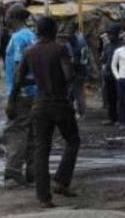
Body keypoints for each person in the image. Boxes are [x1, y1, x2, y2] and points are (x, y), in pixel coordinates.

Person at [8, 16, 80, 208]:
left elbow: (18, 80)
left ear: (38, 32)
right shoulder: (60, 49)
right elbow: (69, 75)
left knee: (42, 150)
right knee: (72, 141)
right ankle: (62, 181)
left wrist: (11, 102)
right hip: (59, 103)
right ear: (54, 31)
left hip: (39, 105)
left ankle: (43, 198)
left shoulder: (29, 51)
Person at [2, 4, 37, 187]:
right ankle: (33, 170)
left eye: (7, 15)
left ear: (14, 17)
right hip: (34, 92)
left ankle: (13, 171)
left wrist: (11, 98)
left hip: (20, 93)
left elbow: (18, 69)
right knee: (31, 132)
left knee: (15, 131)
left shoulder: (18, 38)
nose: (5, 18)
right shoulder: (32, 36)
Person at [65, 25, 90, 119]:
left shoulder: (74, 43)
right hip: (82, 69)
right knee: (78, 91)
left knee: (76, 92)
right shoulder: (82, 41)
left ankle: (79, 112)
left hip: (76, 70)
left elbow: (73, 60)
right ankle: (80, 111)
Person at [100, 25, 121, 126]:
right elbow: (104, 59)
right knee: (110, 98)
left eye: (110, 34)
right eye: (108, 33)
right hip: (108, 76)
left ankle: (119, 119)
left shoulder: (121, 46)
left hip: (118, 76)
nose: (108, 36)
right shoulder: (108, 46)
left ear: (116, 34)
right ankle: (112, 118)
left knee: (119, 98)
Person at [109, 32, 125, 129]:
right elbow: (113, 65)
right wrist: (117, 77)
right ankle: (122, 122)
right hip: (122, 79)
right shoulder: (118, 51)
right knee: (122, 101)